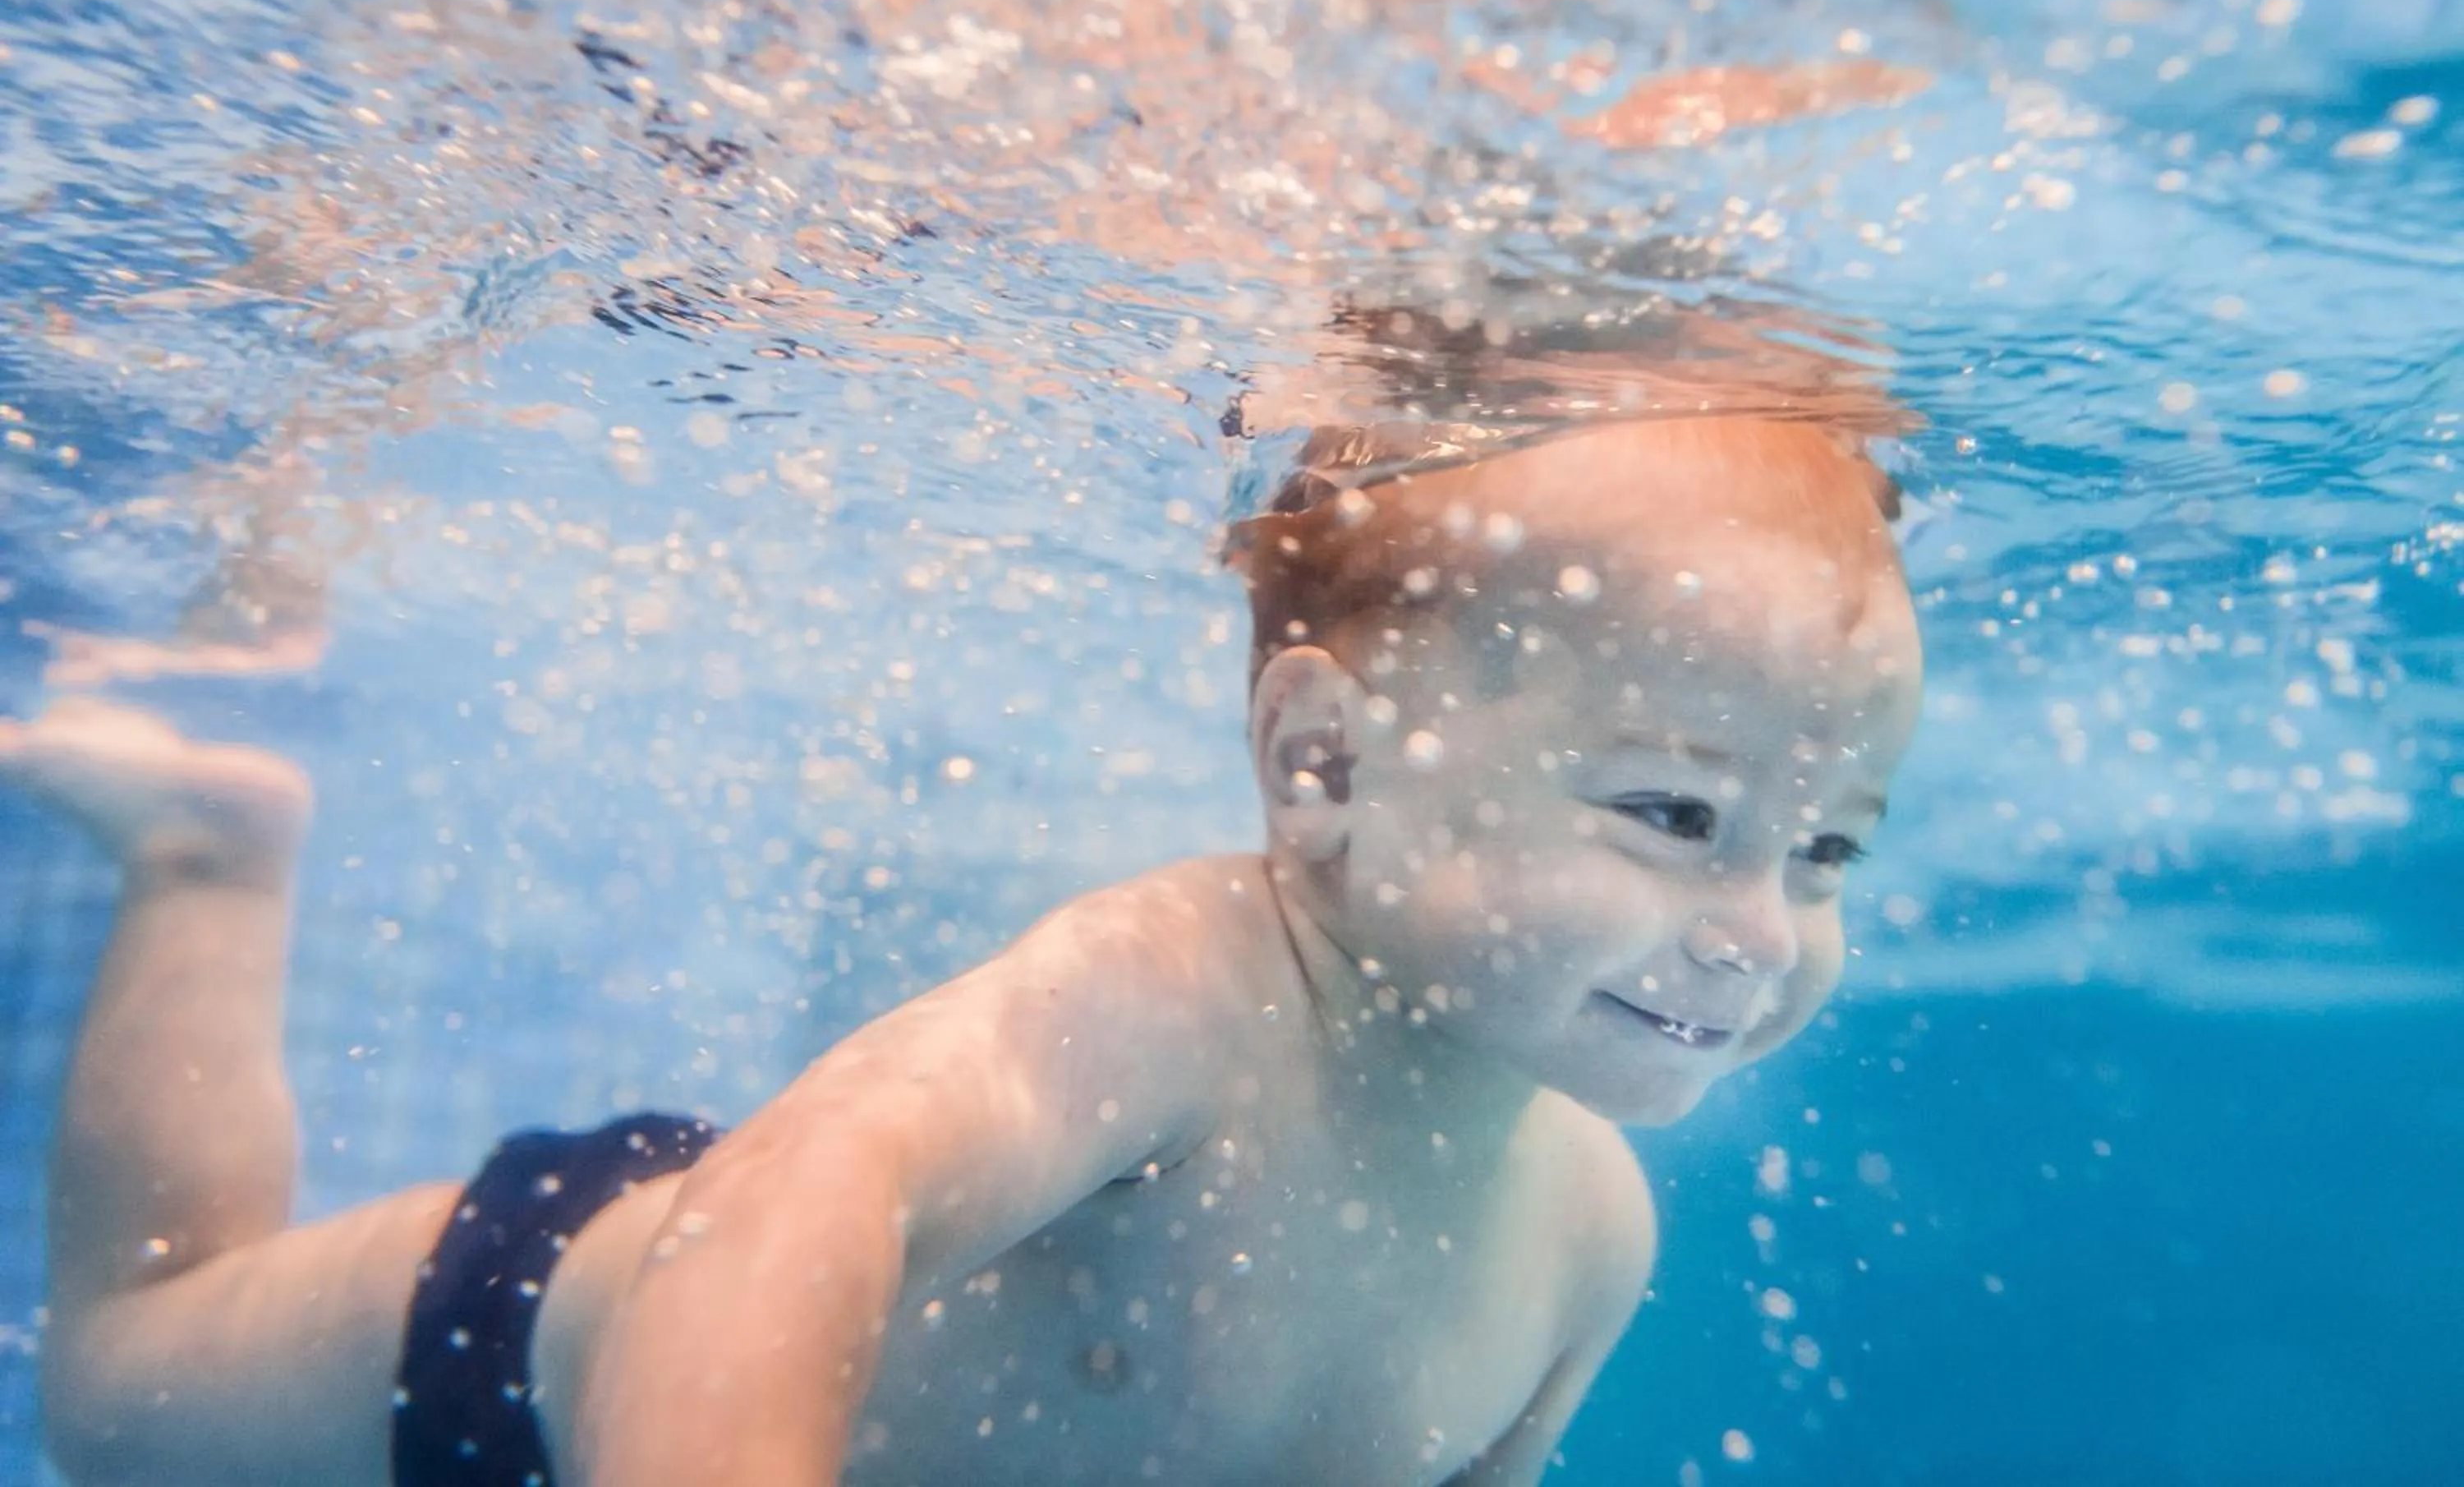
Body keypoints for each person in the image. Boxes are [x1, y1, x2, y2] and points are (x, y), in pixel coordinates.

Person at [3, 405, 1920, 1487]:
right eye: (1677, 817)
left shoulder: (1591, 1235)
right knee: (112, 1389)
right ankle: (210, 850)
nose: (1760, 932)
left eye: (1828, 847)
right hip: (535, 1348)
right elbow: (788, 1199)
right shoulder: (1181, 993)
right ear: (1324, 764)